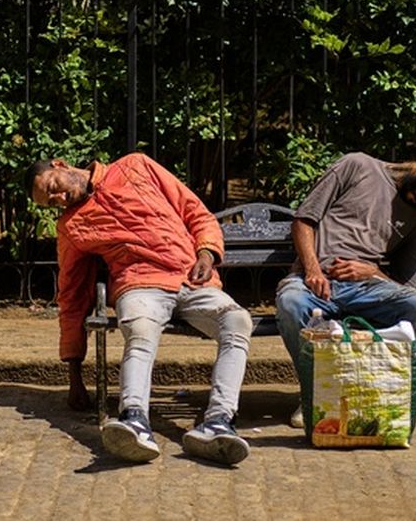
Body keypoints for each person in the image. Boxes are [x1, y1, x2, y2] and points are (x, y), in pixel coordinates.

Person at [24, 153, 252, 465]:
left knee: (237, 321)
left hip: (192, 279)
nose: (60, 198)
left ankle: (218, 422)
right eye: (52, 202)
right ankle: (134, 420)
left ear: (60, 164)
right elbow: (72, 293)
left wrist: (207, 253)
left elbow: (195, 212)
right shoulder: (71, 227)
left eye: (54, 186)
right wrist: (73, 367)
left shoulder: (136, 166)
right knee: (140, 329)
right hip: (140, 284)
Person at [275, 151, 416, 427]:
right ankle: (315, 394)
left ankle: (374, 386)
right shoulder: (357, 166)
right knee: (291, 302)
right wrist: (312, 269)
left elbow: (405, 287)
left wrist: (373, 272)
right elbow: (304, 220)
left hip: (367, 291)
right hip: (317, 283)